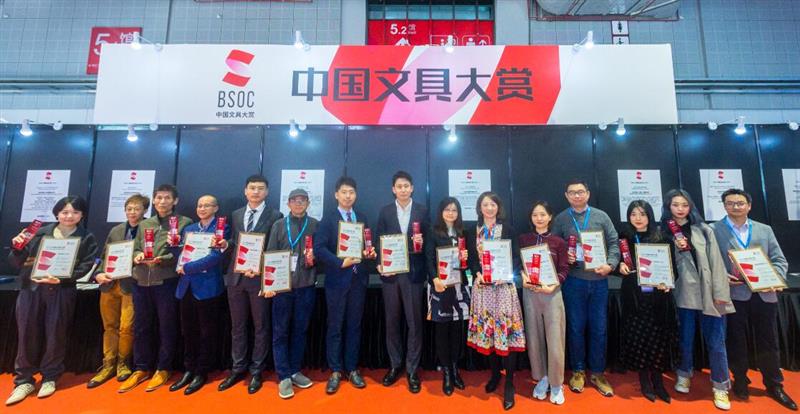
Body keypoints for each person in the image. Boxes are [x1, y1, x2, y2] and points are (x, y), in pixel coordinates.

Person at [6, 196, 98, 405]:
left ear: (82, 215)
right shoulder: (38, 233)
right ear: (57, 213)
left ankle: (50, 377)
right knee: (27, 333)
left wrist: (63, 278)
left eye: (75, 212)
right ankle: (24, 380)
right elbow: (16, 262)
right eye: (64, 212)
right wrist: (17, 247)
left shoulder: (86, 237)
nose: (69, 216)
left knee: (56, 333)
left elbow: (86, 266)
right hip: (32, 289)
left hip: (62, 290)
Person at [711, 189, 796, 411]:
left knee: (768, 340)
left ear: (749, 205)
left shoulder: (764, 230)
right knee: (736, 340)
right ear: (724, 206)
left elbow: (779, 260)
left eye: (740, 203)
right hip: (734, 295)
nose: (735, 207)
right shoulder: (714, 230)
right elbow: (711, 262)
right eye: (730, 203)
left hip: (764, 294)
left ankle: (774, 384)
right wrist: (722, 276)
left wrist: (774, 278)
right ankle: (740, 379)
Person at [661, 189, 734, 410]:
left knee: (716, 342)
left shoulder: (703, 230)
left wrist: (720, 293)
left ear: (691, 207)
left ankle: (720, 386)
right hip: (683, 293)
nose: (680, 209)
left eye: (684, 205)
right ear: (668, 207)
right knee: (685, 339)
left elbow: (717, 263)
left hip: (708, 294)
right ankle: (684, 373)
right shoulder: (663, 232)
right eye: (675, 205)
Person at [119, 184, 193, 393]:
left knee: (167, 326)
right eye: (159, 198)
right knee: (141, 326)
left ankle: (163, 367)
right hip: (141, 281)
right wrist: (138, 255)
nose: (162, 201)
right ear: (153, 200)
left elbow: (185, 251)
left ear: (175, 201)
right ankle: (141, 367)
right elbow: (136, 247)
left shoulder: (184, 223)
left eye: (167, 198)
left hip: (166, 281)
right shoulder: (145, 224)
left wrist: (164, 259)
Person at [551, 179, 619, 397]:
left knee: (599, 328)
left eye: (580, 192)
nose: (577, 195)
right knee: (576, 328)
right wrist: (565, 257)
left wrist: (611, 265)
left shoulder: (601, 216)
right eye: (572, 192)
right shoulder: (561, 219)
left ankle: (598, 373)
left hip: (599, 281)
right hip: (574, 282)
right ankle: (578, 371)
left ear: (588, 194)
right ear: (566, 195)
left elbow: (614, 242)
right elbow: (553, 248)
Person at [218, 175, 283, 394]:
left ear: (267, 192)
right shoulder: (236, 214)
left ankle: (256, 370)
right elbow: (236, 242)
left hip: (259, 278)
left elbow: (274, 248)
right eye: (252, 188)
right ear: (245, 191)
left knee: (260, 326)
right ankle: (238, 368)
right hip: (236, 278)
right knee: (237, 326)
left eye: (260, 188)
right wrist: (226, 244)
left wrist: (261, 268)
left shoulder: (275, 215)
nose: (256, 192)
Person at [314, 176, 377, 395]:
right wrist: (340, 262)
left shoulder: (362, 218)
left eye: (351, 192)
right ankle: (335, 370)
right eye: (344, 192)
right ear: (336, 195)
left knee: (354, 326)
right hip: (336, 281)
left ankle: (351, 368)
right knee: (335, 326)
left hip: (358, 280)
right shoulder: (328, 219)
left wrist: (370, 253)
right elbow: (319, 249)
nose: (348, 196)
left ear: (356, 195)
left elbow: (367, 245)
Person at [466, 191, 525, 411]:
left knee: (505, 333)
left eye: (493, 204)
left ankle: (509, 381)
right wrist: (477, 273)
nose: (489, 208)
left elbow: (517, 257)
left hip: (503, 288)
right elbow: (472, 259)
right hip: (483, 289)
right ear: (479, 208)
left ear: (498, 207)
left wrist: (506, 273)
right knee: (488, 332)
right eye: (485, 204)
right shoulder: (473, 231)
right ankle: (494, 375)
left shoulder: (508, 229)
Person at [87, 194, 149, 389]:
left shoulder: (149, 229)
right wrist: (98, 273)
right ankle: (108, 364)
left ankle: (123, 363)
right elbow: (105, 255)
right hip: (109, 284)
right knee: (109, 326)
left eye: (137, 209)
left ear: (145, 211)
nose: (132, 212)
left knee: (126, 327)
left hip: (131, 285)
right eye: (129, 209)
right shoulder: (116, 230)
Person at [169, 195, 229, 395]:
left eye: (207, 205)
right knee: (188, 331)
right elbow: (181, 256)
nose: (202, 208)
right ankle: (189, 368)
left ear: (216, 208)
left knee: (206, 332)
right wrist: (174, 246)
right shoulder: (189, 229)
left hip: (208, 288)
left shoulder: (221, 229)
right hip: (186, 287)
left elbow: (215, 257)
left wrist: (187, 267)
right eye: (199, 205)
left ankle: (201, 371)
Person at [376, 171, 429, 393]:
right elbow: (378, 240)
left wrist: (422, 242)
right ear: (393, 189)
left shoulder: (422, 211)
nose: (403, 189)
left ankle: (412, 369)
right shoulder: (385, 211)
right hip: (391, 275)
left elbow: (429, 243)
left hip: (414, 275)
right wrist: (379, 264)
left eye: (407, 186)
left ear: (412, 188)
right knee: (392, 322)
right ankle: (395, 365)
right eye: (399, 186)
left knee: (414, 323)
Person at [617, 200, 675, 403]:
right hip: (634, 296)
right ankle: (644, 380)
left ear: (649, 215)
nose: (638, 218)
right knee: (639, 338)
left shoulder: (662, 238)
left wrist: (668, 282)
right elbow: (616, 262)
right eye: (633, 214)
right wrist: (620, 266)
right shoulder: (624, 238)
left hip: (658, 297)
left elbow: (673, 268)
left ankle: (658, 381)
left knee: (658, 339)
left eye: (642, 214)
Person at [265, 189, 319, 399]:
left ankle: (295, 370)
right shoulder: (279, 225)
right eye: (295, 200)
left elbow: (321, 254)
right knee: (280, 332)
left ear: (308, 203)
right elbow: (270, 254)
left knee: (300, 330)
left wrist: (314, 258)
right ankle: (283, 376)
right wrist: (269, 284)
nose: (298, 203)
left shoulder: (314, 225)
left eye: (302, 200)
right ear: (288, 203)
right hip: (282, 288)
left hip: (306, 286)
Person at [518, 201, 569, 405]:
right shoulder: (524, 239)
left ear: (550, 217)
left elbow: (564, 269)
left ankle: (556, 383)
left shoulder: (559, 242)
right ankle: (542, 378)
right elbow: (518, 264)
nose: (538, 218)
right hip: (530, 293)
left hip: (552, 293)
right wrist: (522, 277)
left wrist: (554, 285)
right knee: (534, 338)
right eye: (535, 215)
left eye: (542, 214)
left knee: (555, 339)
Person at [424, 197, 470, 396]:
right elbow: (428, 258)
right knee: (442, 330)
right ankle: (446, 373)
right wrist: (435, 279)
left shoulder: (463, 233)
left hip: (459, 287)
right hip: (440, 287)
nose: (451, 213)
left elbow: (468, 263)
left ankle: (455, 367)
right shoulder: (433, 232)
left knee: (457, 330)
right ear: (441, 212)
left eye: (454, 210)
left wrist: (466, 259)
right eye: (447, 209)